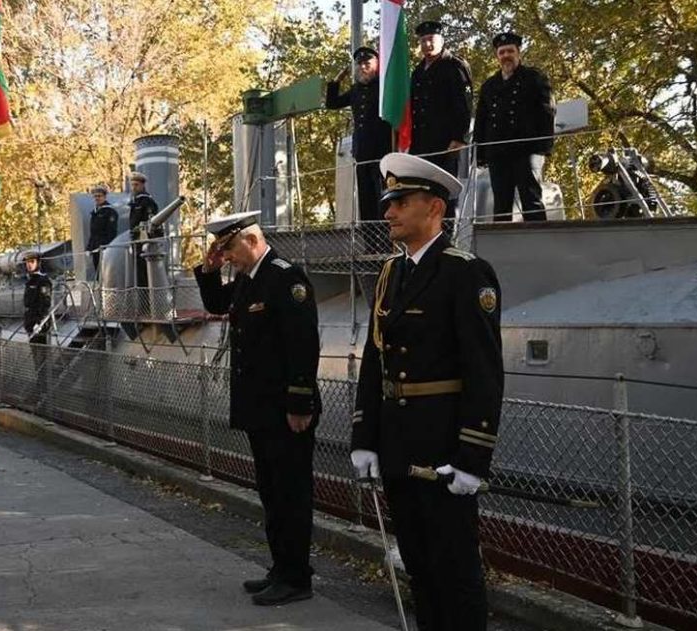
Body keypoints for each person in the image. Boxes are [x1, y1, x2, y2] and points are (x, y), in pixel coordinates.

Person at [349, 152, 504, 631]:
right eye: (388, 202)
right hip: (397, 445)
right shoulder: (391, 273)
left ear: (434, 207)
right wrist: (365, 436)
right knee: (418, 563)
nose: (388, 212)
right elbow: (375, 359)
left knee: (454, 568)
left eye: (401, 202)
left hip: (442, 448)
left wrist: (473, 457)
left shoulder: (466, 273)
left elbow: (484, 371)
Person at [193, 211, 321, 607]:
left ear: (251, 240)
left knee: (291, 494)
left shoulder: (285, 278)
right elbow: (217, 303)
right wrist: (209, 270)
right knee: (271, 493)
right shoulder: (249, 279)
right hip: (260, 409)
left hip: (285, 412)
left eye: (229, 247)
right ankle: (281, 567)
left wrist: (299, 402)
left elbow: (303, 344)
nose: (226, 256)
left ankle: (297, 577)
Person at [474, 31, 556, 222]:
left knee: (531, 200)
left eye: (510, 51)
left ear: (518, 52)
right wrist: (481, 153)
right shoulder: (489, 85)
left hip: (526, 150)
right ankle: (503, 241)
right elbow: (481, 120)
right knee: (501, 204)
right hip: (498, 152)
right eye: (501, 52)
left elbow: (547, 111)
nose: (506, 56)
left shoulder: (534, 78)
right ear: (497, 56)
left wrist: (544, 146)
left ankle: (539, 237)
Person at [325, 47, 393, 223]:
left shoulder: (384, 86)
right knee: (365, 197)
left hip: (381, 150)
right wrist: (337, 80)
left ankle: (385, 234)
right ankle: (368, 235)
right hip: (362, 151)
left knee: (382, 195)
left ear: (376, 64)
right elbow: (332, 103)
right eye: (359, 64)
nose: (363, 67)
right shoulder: (356, 90)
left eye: (367, 64)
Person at [410, 20, 473, 199]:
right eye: (423, 41)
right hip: (421, 142)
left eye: (431, 39)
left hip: (445, 143)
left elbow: (464, 104)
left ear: (441, 40)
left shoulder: (454, 65)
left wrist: (459, 137)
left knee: (444, 193)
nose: (427, 44)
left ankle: (447, 219)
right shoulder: (418, 71)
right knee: (422, 192)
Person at [86, 184, 118, 278]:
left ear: (104, 196)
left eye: (99, 196)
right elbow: (93, 232)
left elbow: (112, 232)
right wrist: (89, 248)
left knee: (106, 272)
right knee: (98, 272)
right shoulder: (95, 212)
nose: (97, 198)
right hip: (95, 247)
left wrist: (106, 247)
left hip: (104, 247)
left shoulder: (110, 212)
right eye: (95, 196)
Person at [22, 251, 52, 344]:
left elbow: (45, 302)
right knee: (34, 348)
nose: (29, 264)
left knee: (40, 348)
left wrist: (39, 322)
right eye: (27, 262)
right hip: (30, 319)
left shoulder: (43, 281)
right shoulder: (30, 281)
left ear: (38, 263)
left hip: (39, 321)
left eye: (32, 261)